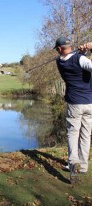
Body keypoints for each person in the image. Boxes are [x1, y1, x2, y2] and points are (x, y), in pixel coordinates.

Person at [54, 37, 92, 183]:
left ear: (59, 49)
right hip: (89, 103)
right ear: (70, 46)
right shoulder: (79, 59)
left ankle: (73, 162)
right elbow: (84, 64)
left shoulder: (60, 61)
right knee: (85, 134)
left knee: (73, 133)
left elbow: (80, 63)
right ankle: (82, 166)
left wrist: (84, 53)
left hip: (74, 103)